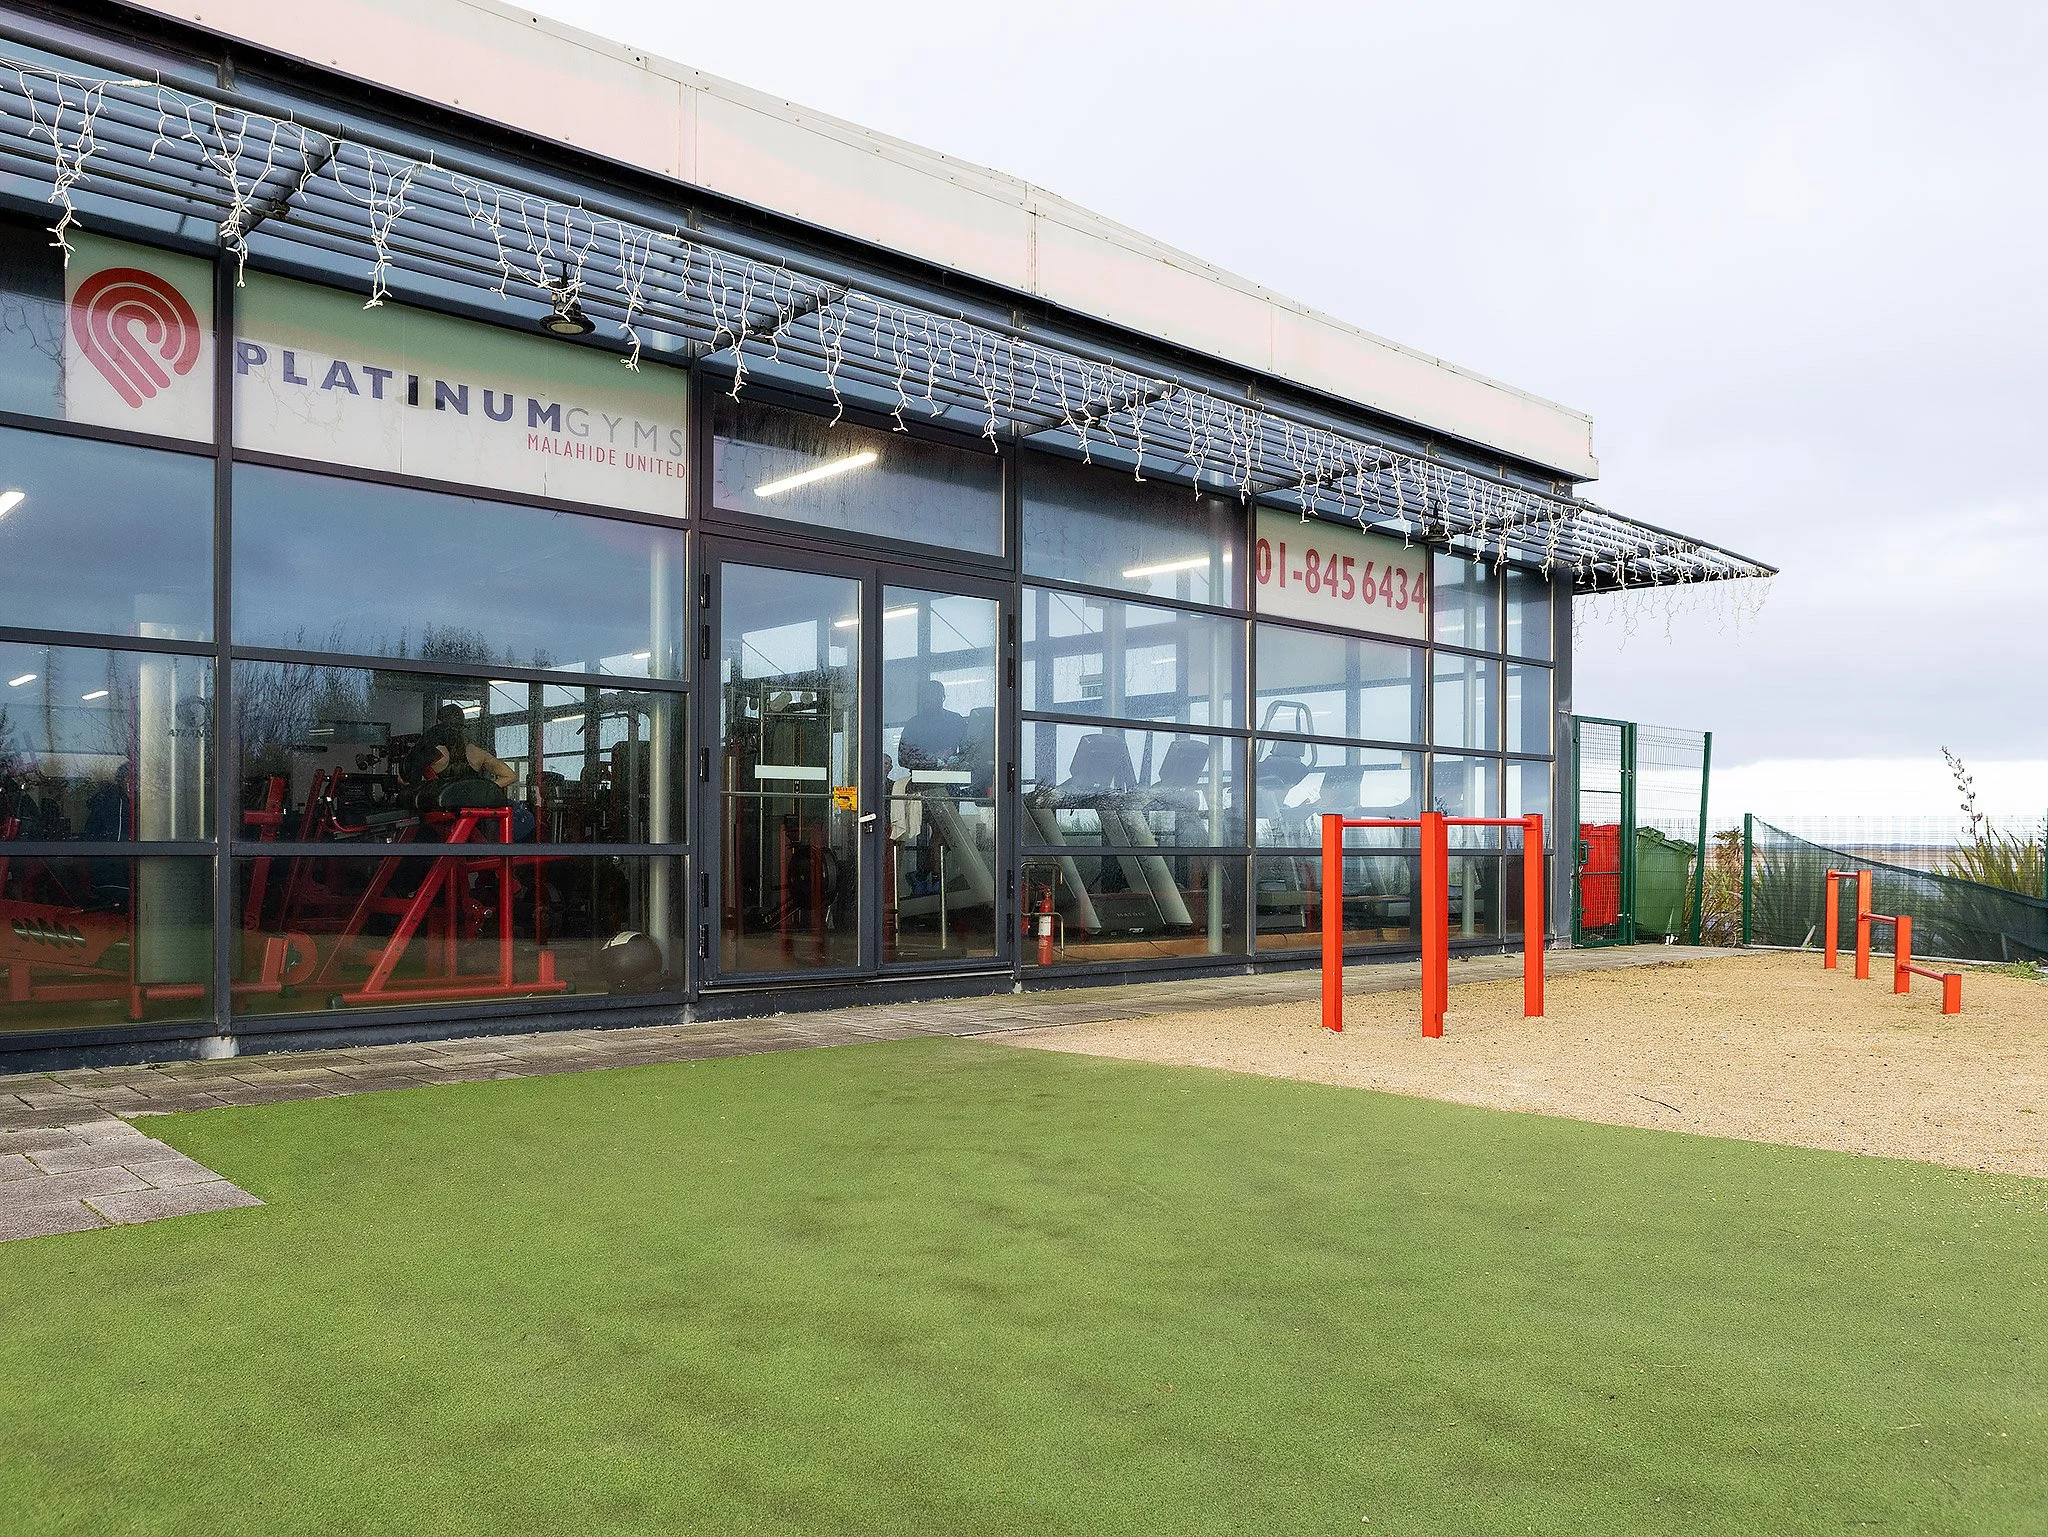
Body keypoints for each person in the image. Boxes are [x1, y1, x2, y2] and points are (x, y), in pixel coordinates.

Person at [896, 679, 970, 770]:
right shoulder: (913, 724)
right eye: (924, 695)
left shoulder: (956, 721)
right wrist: (935, 761)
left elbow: (969, 753)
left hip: (951, 778)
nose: (927, 699)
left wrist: (956, 760)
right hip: (920, 781)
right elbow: (903, 759)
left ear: (942, 697)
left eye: (932, 695)